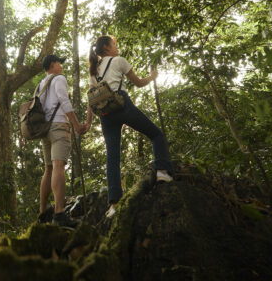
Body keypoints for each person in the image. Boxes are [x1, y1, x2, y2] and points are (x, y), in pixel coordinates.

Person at [84, 36, 173, 218]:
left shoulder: (94, 70)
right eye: (114, 45)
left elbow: (92, 98)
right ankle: (162, 171)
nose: (117, 48)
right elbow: (138, 83)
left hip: (105, 113)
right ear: (107, 47)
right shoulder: (119, 61)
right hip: (122, 104)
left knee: (112, 157)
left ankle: (114, 204)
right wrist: (152, 77)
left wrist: (88, 121)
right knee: (156, 134)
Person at [37, 54, 85, 227]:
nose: (61, 66)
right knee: (58, 166)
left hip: (45, 129)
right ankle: (59, 214)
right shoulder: (59, 79)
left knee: (48, 168)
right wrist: (76, 124)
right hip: (58, 125)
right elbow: (63, 101)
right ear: (52, 64)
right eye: (59, 63)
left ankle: (43, 214)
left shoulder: (42, 84)